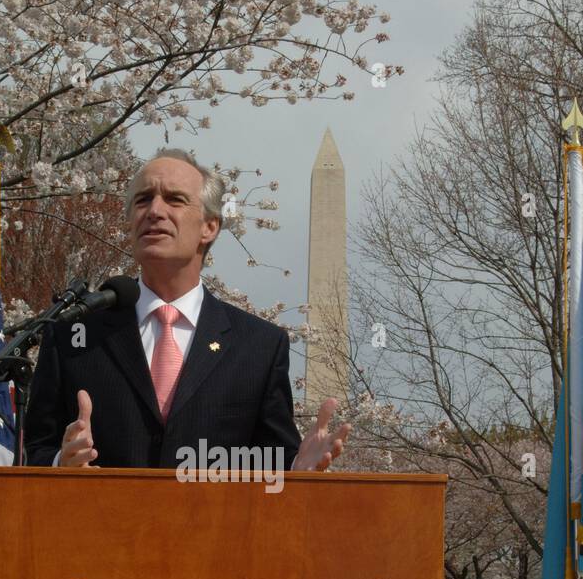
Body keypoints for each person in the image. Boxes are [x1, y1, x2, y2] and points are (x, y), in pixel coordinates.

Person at [24, 149, 350, 472]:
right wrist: (59, 462)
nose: (154, 210)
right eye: (143, 199)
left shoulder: (259, 346)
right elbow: (32, 450)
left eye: (174, 199)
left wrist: (295, 467)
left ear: (209, 226)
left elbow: (270, 460)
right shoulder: (73, 330)